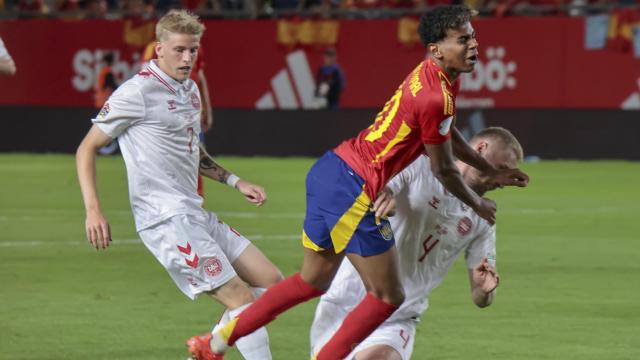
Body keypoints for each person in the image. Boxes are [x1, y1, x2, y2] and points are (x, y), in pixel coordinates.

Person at [207, 5, 529, 360]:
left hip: (329, 171)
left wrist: (491, 170)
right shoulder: (436, 96)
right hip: (353, 184)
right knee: (389, 296)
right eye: (463, 39)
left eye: (474, 37)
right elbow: (444, 170)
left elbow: (446, 133)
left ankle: (217, 341)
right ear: (436, 49)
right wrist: (479, 203)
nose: (474, 46)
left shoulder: (441, 78)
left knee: (310, 281)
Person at [75, 10, 282, 360]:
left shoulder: (190, 91)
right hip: (165, 219)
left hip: (193, 212)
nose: (187, 58)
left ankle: (206, 349)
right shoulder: (138, 91)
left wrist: (234, 180)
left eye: (193, 51)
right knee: (242, 303)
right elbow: (86, 147)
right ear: (159, 49)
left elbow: (193, 151)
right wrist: (93, 209)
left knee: (272, 283)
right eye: (180, 50)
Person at [310, 127, 522, 359]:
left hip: (396, 317)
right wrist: (385, 194)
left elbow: (480, 298)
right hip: (345, 300)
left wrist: (485, 289)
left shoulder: (483, 219)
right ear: (481, 149)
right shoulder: (422, 165)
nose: (503, 181)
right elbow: (381, 185)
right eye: (502, 170)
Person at [142, 36, 213, 198]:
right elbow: (145, 78)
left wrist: (206, 109)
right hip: (165, 113)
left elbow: (200, 77)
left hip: (190, 112)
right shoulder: (152, 48)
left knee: (194, 157)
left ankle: (196, 202)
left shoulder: (196, 47)